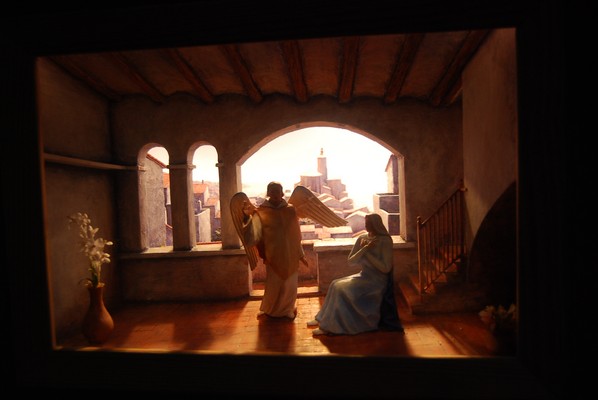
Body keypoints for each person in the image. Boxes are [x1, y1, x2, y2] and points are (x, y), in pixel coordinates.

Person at [308, 213, 404, 335]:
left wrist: (367, 253)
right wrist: (364, 249)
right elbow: (351, 261)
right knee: (334, 284)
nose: (366, 226)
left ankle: (329, 327)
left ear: (376, 224)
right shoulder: (363, 239)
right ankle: (321, 318)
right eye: (366, 223)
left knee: (341, 289)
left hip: (377, 281)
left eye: (369, 223)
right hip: (364, 276)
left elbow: (385, 268)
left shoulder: (385, 241)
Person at [240, 181, 308, 319]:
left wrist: (301, 254)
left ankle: (288, 309)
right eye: (272, 191)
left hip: (291, 254)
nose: (276, 194)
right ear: (268, 193)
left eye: (278, 191)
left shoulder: (290, 210)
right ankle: (270, 309)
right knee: (274, 285)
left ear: (282, 193)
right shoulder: (261, 212)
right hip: (273, 254)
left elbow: (295, 236)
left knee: (289, 285)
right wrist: (246, 218)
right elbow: (254, 235)